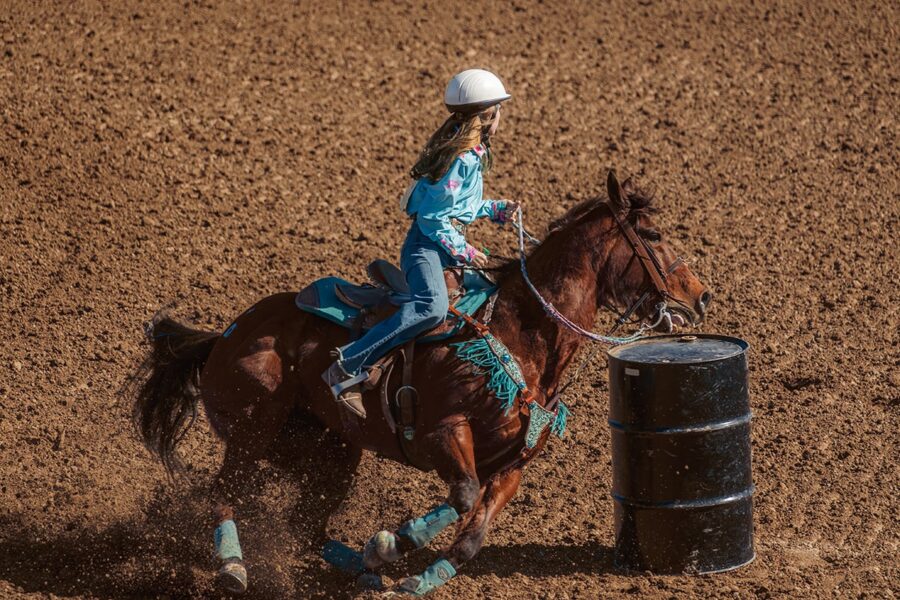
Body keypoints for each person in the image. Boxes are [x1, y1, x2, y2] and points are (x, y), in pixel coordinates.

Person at [322, 68, 519, 419]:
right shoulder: (460, 159)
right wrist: (465, 251)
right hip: (425, 249)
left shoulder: (472, 152)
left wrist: (495, 210)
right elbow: (432, 220)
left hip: (442, 245)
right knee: (431, 307)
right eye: (500, 111)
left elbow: (462, 207)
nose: (502, 117)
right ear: (488, 115)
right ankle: (347, 366)